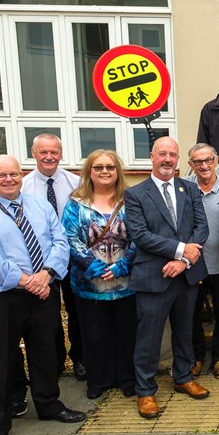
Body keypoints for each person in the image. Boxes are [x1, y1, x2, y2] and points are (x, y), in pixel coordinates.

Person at [0, 154, 87, 435]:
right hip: (0, 294)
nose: (9, 180)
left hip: (43, 287)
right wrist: (26, 280)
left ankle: (48, 404)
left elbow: (60, 241)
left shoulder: (38, 205)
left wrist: (46, 274)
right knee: (0, 359)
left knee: (45, 350)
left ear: (22, 175)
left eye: (14, 174)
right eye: (1, 175)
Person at [126, 136, 210, 419]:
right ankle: (145, 391)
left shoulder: (190, 188)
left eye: (172, 155)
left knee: (185, 330)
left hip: (185, 275)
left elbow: (201, 228)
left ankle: (183, 376)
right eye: (162, 154)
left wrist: (184, 260)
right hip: (154, 275)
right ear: (152, 156)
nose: (167, 159)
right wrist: (178, 250)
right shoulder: (136, 194)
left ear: (178, 160)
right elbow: (140, 235)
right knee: (148, 337)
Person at [62, 149, 137, 400]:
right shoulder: (76, 203)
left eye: (110, 167)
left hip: (126, 283)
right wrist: (94, 267)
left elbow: (140, 237)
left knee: (126, 333)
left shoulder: (130, 200)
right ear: (89, 172)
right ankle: (98, 380)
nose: (105, 172)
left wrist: (121, 265)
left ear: (118, 171)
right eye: (98, 167)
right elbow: (69, 238)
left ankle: (127, 379)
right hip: (88, 283)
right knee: (94, 334)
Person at [21, 133, 84, 380]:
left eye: (54, 152)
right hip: (39, 261)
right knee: (47, 313)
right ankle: (54, 361)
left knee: (77, 309)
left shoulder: (76, 183)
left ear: (61, 153)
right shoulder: (23, 187)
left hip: (72, 258)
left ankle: (80, 358)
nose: (49, 157)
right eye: (43, 152)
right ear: (34, 153)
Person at [186, 143, 219, 378]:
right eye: (198, 162)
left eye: (208, 160)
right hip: (191, 264)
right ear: (191, 165)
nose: (204, 166)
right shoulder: (183, 189)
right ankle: (196, 357)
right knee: (191, 314)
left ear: (217, 161)